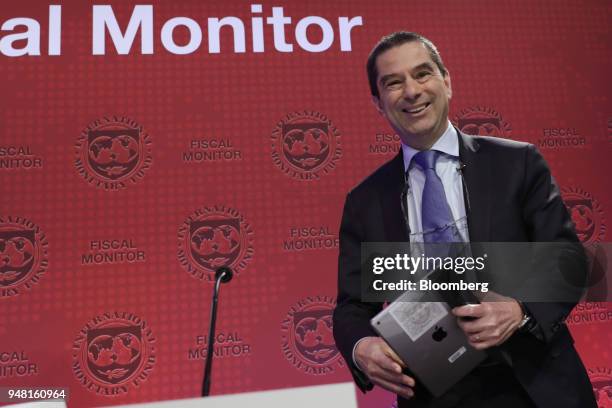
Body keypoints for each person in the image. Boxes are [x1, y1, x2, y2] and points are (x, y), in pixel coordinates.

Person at [332, 31, 596, 408]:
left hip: (536, 382)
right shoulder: (365, 201)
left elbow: (567, 258)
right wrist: (362, 347)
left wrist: (521, 310)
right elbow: (352, 306)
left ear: (447, 82)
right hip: (434, 392)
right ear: (378, 103)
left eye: (423, 74)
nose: (411, 91)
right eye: (393, 82)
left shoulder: (516, 164)